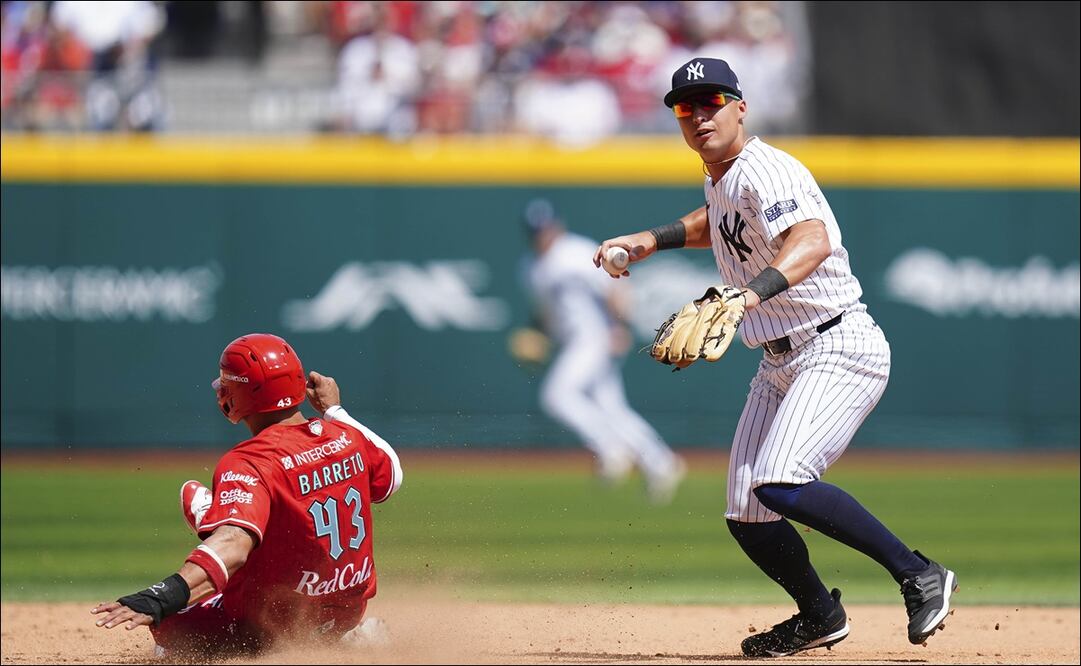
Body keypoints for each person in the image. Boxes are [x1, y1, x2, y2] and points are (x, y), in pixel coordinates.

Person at [593, 58, 957, 657]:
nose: (700, 115)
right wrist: (651, 239)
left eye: (712, 102)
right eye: (686, 107)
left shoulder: (767, 168)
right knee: (747, 510)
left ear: (740, 107)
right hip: (779, 360)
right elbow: (720, 221)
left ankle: (919, 574)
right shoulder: (724, 177)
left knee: (781, 482)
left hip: (836, 344)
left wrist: (749, 294)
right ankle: (819, 616)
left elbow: (812, 238)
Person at [91, 333, 403, 657]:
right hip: (346, 612)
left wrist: (160, 597)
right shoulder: (346, 437)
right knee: (266, 522)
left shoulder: (250, 461)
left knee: (170, 627)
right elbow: (391, 477)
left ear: (240, 392)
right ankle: (343, 637)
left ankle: (217, 517)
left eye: (226, 382)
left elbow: (234, 548)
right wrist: (334, 411)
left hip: (271, 626)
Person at [517, 199, 685, 504]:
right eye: (537, 231)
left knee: (557, 396)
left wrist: (620, 325)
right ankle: (661, 462)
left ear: (557, 225)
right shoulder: (531, 267)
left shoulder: (574, 251)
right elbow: (545, 315)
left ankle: (610, 448)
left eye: (546, 228)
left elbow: (614, 285)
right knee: (612, 409)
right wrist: (536, 336)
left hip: (595, 337)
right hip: (572, 343)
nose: (543, 235)